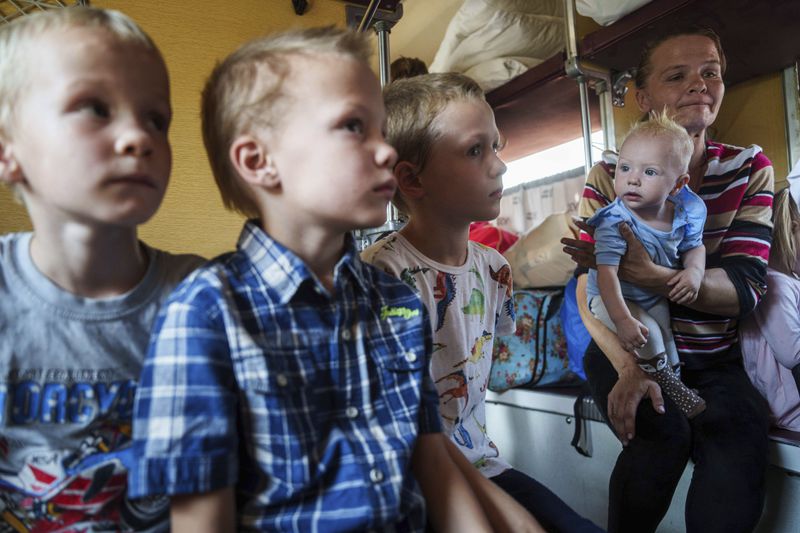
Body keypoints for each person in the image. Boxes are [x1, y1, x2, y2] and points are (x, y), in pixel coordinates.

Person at [128, 27, 536, 533]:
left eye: (380, 129)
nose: (384, 150)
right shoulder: (206, 313)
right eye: (352, 126)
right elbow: (201, 519)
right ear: (260, 162)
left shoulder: (395, 302)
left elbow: (435, 469)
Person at [363, 72, 601, 533]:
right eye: (475, 151)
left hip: (478, 463)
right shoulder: (381, 275)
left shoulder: (495, 268)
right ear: (412, 178)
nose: (499, 166)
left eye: (497, 145)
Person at [562, 27, 773, 532]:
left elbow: (743, 292)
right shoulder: (613, 172)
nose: (699, 85)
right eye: (676, 76)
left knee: (737, 444)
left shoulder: (748, 168)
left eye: (710, 73)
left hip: (713, 356)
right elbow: (588, 286)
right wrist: (630, 368)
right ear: (643, 97)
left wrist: (649, 273)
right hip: (625, 340)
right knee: (661, 434)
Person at [0, 7, 202, 531]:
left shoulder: (199, 294)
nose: (139, 137)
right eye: (94, 107)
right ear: (8, 152)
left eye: (157, 118)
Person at [586, 111, 707, 419]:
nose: (633, 178)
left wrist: (694, 271)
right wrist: (622, 320)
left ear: (678, 185)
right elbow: (606, 275)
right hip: (610, 297)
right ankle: (673, 389)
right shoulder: (614, 221)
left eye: (650, 172)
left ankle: (672, 381)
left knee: (666, 337)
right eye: (624, 167)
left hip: (653, 294)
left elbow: (695, 246)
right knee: (648, 333)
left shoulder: (686, 209)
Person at [739, 186, 800, 431]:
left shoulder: (790, 280)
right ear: (792, 231)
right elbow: (792, 353)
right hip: (789, 407)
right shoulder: (773, 284)